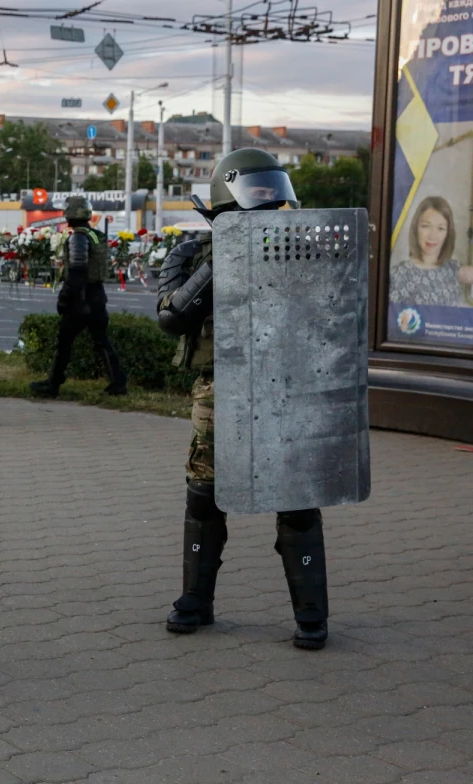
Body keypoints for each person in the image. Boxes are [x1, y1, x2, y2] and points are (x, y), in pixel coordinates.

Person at [156, 148, 329, 650]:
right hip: (219, 388)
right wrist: (225, 257)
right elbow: (171, 317)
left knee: (297, 500)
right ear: (228, 199)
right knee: (205, 495)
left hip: (285, 386)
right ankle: (195, 601)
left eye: (277, 191)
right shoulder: (190, 253)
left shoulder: (302, 249)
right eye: (260, 192)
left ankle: (312, 614)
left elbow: (333, 312)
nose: (273, 203)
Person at [30, 196, 128, 398]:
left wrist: (65, 298)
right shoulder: (95, 235)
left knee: (64, 341)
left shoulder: (78, 237)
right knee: (102, 341)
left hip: (81, 297)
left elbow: (76, 271)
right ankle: (118, 383)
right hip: (97, 295)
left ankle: (53, 383)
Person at [390, 195, 473, 306]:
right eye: (426, 226)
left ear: (448, 233)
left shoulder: (453, 268)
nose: (432, 235)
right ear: (416, 228)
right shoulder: (399, 274)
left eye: (440, 228)